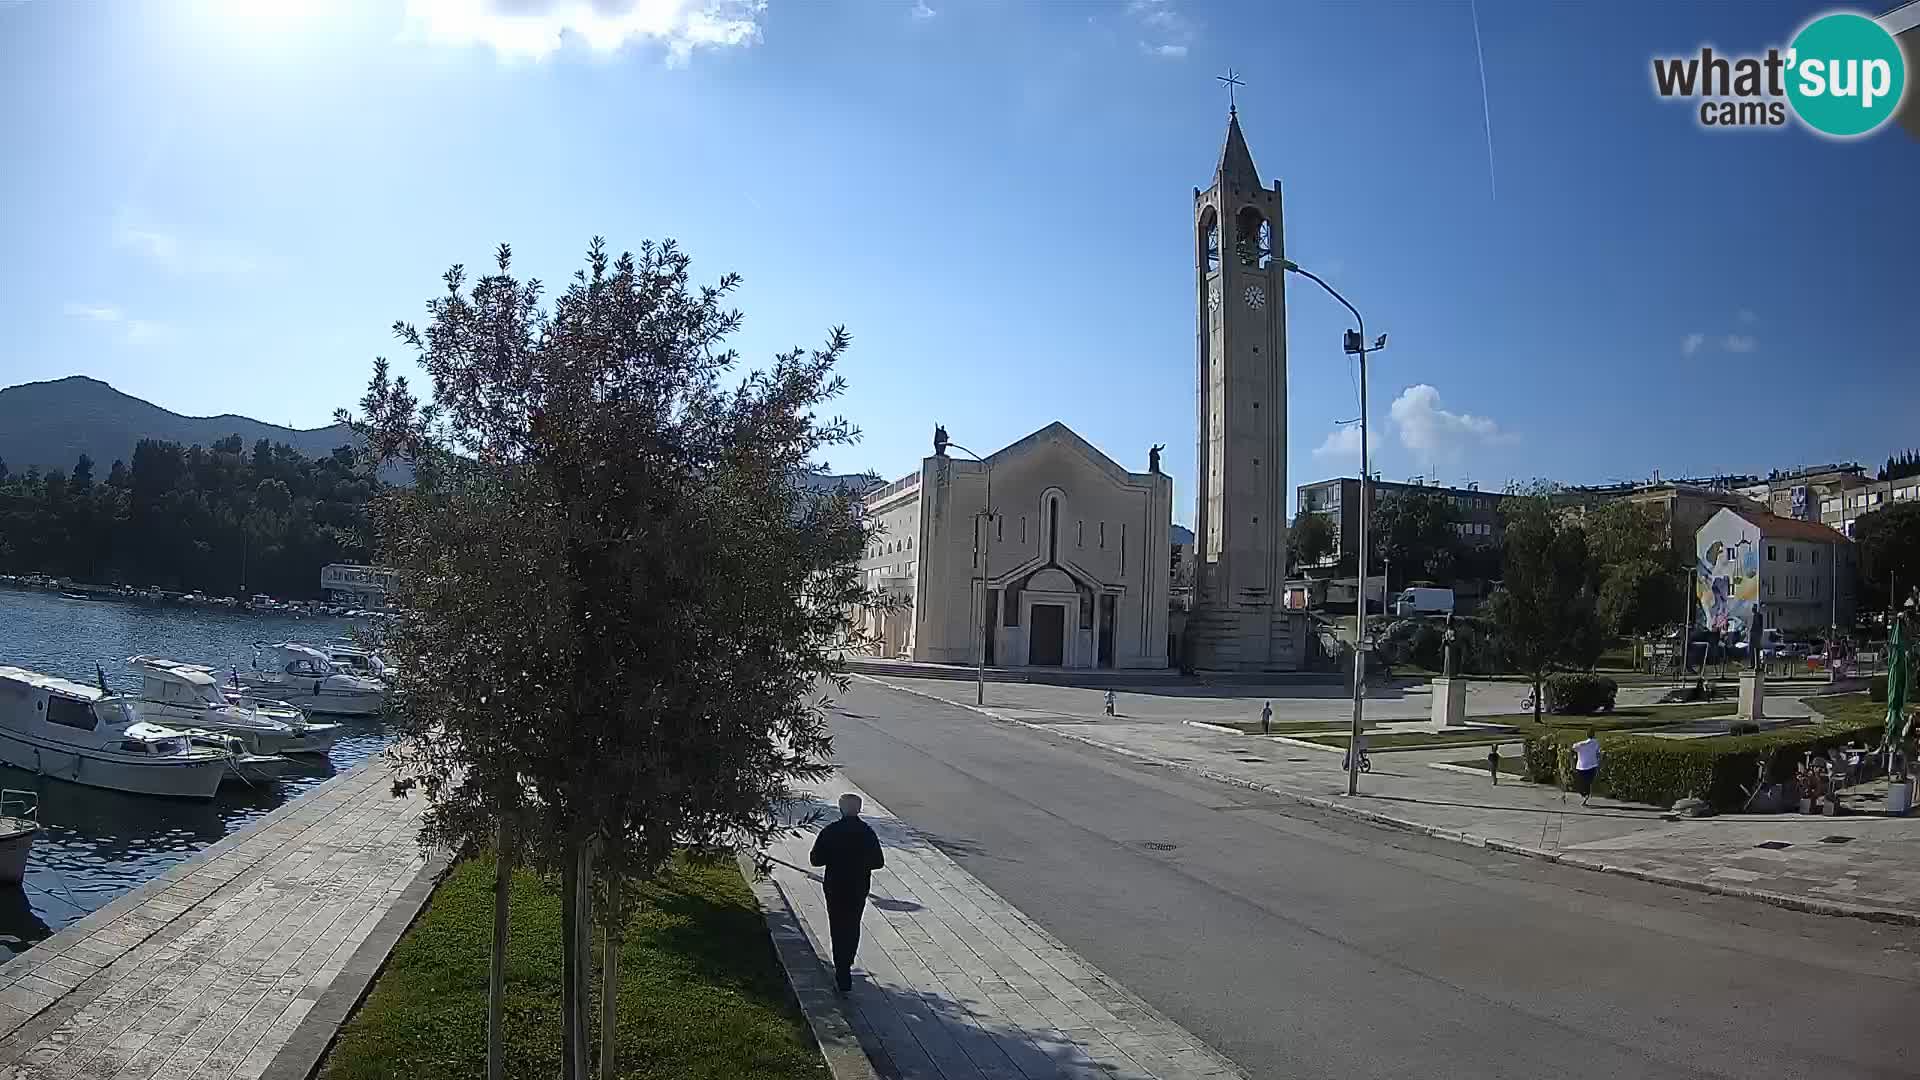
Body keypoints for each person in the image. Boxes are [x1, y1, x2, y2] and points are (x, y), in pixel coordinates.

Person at [809, 792, 885, 994]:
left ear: (840, 808)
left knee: (837, 923)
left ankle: (840, 966)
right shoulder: (867, 832)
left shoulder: (831, 831)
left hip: (835, 885)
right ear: (859, 809)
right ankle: (847, 961)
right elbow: (879, 862)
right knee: (853, 922)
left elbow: (815, 860)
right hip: (858, 886)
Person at [1571, 728, 1602, 806]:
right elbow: (1598, 752)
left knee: (1581, 783)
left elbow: (1573, 747)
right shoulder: (1596, 743)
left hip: (1582, 767)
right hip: (1592, 766)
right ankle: (1586, 795)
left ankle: (1585, 795)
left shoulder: (1581, 745)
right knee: (1587, 783)